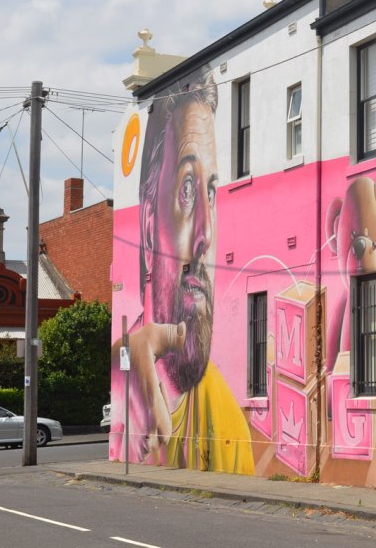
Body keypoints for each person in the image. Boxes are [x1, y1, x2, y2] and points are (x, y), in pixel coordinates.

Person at [110, 68, 254, 474]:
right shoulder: (123, 376)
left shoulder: (230, 428)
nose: (205, 234)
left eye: (211, 190)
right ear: (149, 226)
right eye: (188, 189)